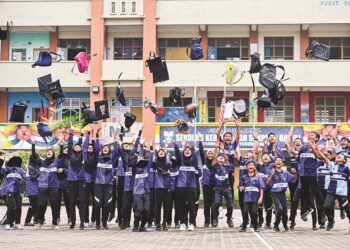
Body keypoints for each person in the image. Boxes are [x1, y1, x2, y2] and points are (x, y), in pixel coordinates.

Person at [286, 132, 326, 222]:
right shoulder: (303, 147)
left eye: (312, 135)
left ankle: (323, 215)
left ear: (316, 139)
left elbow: (319, 156)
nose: (309, 136)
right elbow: (296, 154)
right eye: (309, 135)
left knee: (317, 195)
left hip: (311, 174)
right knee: (304, 193)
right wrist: (291, 149)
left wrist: (313, 147)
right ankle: (306, 209)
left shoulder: (318, 147)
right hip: (303, 175)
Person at [314, 146, 350, 232]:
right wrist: (317, 149)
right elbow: (323, 157)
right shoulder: (332, 165)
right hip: (331, 191)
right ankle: (330, 220)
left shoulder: (347, 168)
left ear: (344, 160)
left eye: (341, 156)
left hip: (342, 192)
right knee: (326, 206)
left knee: (348, 210)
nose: (338, 156)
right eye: (338, 155)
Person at [31, 136, 62, 229]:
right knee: (41, 204)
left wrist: (61, 145)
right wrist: (33, 144)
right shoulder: (41, 162)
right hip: (42, 187)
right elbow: (33, 155)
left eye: (51, 151)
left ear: (53, 154)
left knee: (55, 205)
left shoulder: (56, 162)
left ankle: (55, 223)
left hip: (53, 187)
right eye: (48, 151)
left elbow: (61, 155)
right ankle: (40, 221)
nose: (49, 152)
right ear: (46, 154)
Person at [94, 129, 119, 230]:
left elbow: (116, 151)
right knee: (97, 204)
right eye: (103, 147)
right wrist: (96, 135)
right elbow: (95, 149)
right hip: (98, 184)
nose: (105, 148)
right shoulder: (98, 159)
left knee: (107, 204)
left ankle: (104, 223)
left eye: (107, 147)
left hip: (109, 185)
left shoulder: (111, 160)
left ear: (109, 150)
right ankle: (97, 223)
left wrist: (115, 139)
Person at [174, 141, 201, 231]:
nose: (187, 150)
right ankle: (183, 223)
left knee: (192, 206)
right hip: (180, 186)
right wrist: (176, 146)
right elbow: (178, 155)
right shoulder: (180, 161)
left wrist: (193, 149)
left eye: (189, 150)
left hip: (192, 186)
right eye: (185, 149)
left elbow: (195, 157)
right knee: (181, 206)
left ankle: (192, 223)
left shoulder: (194, 162)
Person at [120, 127, 142, 229]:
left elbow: (137, 145)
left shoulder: (133, 158)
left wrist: (140, 132)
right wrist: (119, 139)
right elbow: (121, 150)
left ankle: (136, 223)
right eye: (125, 145)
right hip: (125, 188)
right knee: (125, 206)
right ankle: (125, 223)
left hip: (135, 187)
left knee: (136, 207)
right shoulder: (125, 163)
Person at [266, 157, 297, 232]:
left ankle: (285, 225)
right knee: (279, 209)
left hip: (282, 194)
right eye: (276, 160)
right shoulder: (272, 172)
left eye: (280, 160)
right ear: (274, 163)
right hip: (274, 193)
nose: (278, 161)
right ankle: (276, 225)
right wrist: (271, 175)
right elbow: (267, 183)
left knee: (285, 211)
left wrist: (295, 173)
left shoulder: (286, 173)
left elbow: (294, 179)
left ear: (282, 164)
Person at [66, 127, 86, 230]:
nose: (78, 147)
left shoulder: (83, 155)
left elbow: (82, 144)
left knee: (82, 202)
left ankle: (82, 222)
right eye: (76, 146)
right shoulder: (70, 156)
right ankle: (73, 222)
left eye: (79, 146)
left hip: (81, 181)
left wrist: (82, 136)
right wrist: (71, 132)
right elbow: (69, 144)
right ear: (73, 149)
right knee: (72, 202)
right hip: (72, 181)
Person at [132, 141, 154, 232]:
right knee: (139, 209)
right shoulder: (135, 169)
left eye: (142, 157)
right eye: (139, 158)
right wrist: (138, 151)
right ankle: (136, 226)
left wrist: (149, 148)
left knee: (147, 210)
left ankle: (142, 226)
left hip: (146, 192)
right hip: (137, 192)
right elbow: (133, 161)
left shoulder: (146, 168)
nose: (140, 159)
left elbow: (150, 159)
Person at [211, 142, 234, 228]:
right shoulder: (214, 166)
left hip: (227, 188)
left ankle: (229, 218)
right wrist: (216, 148)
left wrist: (223, 150)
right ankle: (215, 218)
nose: (220, 158)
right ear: (217, 159)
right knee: (216, 203)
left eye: (222, 158)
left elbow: (227, 159)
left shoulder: (227, 166)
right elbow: (214, 158)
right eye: (219, 157)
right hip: (218, 188)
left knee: (230, 205)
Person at [1, 156, 26, 230]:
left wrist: (27, 169)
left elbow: (26, 177)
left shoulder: (20, 170)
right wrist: (5, 162)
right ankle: (8, 223)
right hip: (9, 190)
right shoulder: (8, 169)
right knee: (11, 205)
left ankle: (17, 223)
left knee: (18, 206)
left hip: (18, 190)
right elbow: (2, 171)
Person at [239, 161, 264, 232]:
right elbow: (241, 187)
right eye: (249, 165)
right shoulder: (243, 177)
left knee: (254, 212)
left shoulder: (258, 177)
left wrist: (261, 197)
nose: (250, 166)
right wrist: (241, 188)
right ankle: (244, 227)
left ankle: (255, 226)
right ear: (246, 167)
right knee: (245, 211)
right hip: (246, 199)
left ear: (254, 167)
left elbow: (261, 187)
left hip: (255, 199)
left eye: (252, 165)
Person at [198, 134, 215, 228]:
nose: (210, 154)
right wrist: (200, 140)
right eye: (209, 153)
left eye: (212, 153)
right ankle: (206, 221)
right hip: (206, 186)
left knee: (214, 204)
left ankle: (213, 220)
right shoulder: (204, 162)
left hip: (214, 186)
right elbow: (201, 151)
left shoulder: (215, 163)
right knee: (206, 204)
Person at [83, 127, 99, 227]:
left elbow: (96, 148)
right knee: (85, 202)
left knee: (95, 201)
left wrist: (94, 135)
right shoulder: (84, 156)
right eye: (89, 147)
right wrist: (88, 133)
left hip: (94, 181)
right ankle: (86, 220)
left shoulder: (96, 157)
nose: (90, 148)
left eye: (91, 147)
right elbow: (84, 146)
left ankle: (94, 219)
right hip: (86, 181)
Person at [154, 146, 172, 231]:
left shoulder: (168, 163)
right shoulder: (155, 163)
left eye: (163, 152)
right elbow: (152, 161)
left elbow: (169, 163)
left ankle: (164, 223)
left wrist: (167, 152)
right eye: (159, 152)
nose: (161, 152)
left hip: (167, 187)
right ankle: (157, 223)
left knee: (167, 206)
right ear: (157, 154)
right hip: (159, 187)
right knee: (157, 206)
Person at [257, 152, 273, 229]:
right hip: (260, 190)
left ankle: (268, 223)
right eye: (264, 156)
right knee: (259, 205)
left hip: (269, 189)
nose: (265, 157)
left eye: (267, 156)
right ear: (261, 158)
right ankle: (260, 221)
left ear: (270, 159)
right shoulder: (259, 167)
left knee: (269, 207)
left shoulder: (273, 166)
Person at [24, 158, 40, 226]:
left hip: (34, 191)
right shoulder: (31, 168)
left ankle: (34, 220)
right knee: (33, 206)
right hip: (32, 191)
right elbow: (33, 178)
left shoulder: (34, 168)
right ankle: (28, 221)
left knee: (34, 206)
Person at [166, 154, 179, 228]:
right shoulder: (168, 167)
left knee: (177, 206)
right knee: (168, 206)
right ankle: (168, 222)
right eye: (172, 158)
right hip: (169, 189)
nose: (173, 159)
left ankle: (177, 222)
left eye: (175, 158)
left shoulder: (178, 167)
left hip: (177, 189)